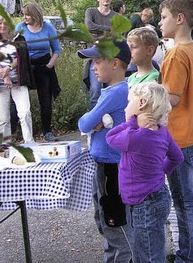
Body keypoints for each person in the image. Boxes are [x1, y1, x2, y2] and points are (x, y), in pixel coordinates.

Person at [158, 0, 193, 263]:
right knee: (191, 198)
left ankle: (192, 256)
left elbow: (172, 98)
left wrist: (147, 97)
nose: (160, 22)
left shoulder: (176, 53)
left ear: (180, 19)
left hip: (178, 137)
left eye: (164, 17)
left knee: (186, 200)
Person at [106, 82, 184, 263]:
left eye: (128, 102)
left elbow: (110, 138)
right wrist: (160, 173)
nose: (126, 107)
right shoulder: (162, 132)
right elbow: (176, 157)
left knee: (148, 254)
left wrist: (132, 122)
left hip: (144, 203)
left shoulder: (134, 136)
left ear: (141, 103)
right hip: (157, 196)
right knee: (147, 247)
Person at [77, 40, 132, 262]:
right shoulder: (110, 91)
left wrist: (92, 120)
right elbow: (88, 122)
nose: (93, 67)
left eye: (97, 61)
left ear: (115, 63)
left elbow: (83, 125)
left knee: (115, 224)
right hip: (105, 165)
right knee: (104, 219)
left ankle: (127, 258)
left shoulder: (114, 93)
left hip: (112, 168)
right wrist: (92, 121)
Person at [0, 14, 35, 143]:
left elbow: (22, 58)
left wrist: (8, 69)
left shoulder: (19, 38)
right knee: (3, 118)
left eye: (5, 23)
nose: (2, 26)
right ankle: (6, 145)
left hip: (19, 83)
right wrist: (4, 77)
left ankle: (30, 142)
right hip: (0, 85)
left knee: (24, 113)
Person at [15, 2, 61, 141]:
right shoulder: (20, 28)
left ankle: (47, 131)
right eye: (23, 15)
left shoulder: (48, 28)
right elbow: (15, 49)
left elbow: (57, 49)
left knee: (46, 100)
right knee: (22, 101)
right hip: (26, 66)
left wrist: (49, 65)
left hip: (44, 66)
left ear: (35, 15)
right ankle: (21, 133)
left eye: (27, 14)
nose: (24, 17)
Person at [84, 0, 118, 108]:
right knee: (95, 90)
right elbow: (89, 26)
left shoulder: (116, 16)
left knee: (111, 91)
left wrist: (99, 32)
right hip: (95, 57)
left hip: (110, 57)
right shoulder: (91, 12)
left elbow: (117, 34)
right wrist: (108, 29)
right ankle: (95, 122)